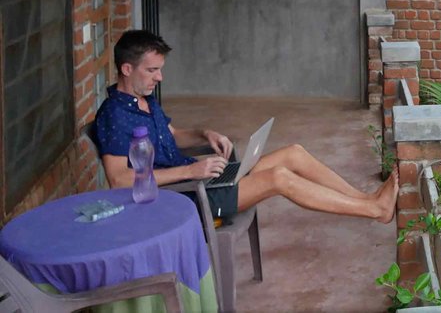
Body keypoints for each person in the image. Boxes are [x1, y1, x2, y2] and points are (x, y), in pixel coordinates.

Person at [94, 30, 397, 223]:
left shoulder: (145, 100)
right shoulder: (114, 115)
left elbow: (171, 137)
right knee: (279, 177)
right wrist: (191, 172)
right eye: (152, 71)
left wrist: (203, 133)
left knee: (294, 153)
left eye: (160, 70)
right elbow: (120, 180)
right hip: (184, 199)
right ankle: (374, 211)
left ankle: (366, 199)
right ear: (126, 68)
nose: (159, 78)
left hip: (201, 182)